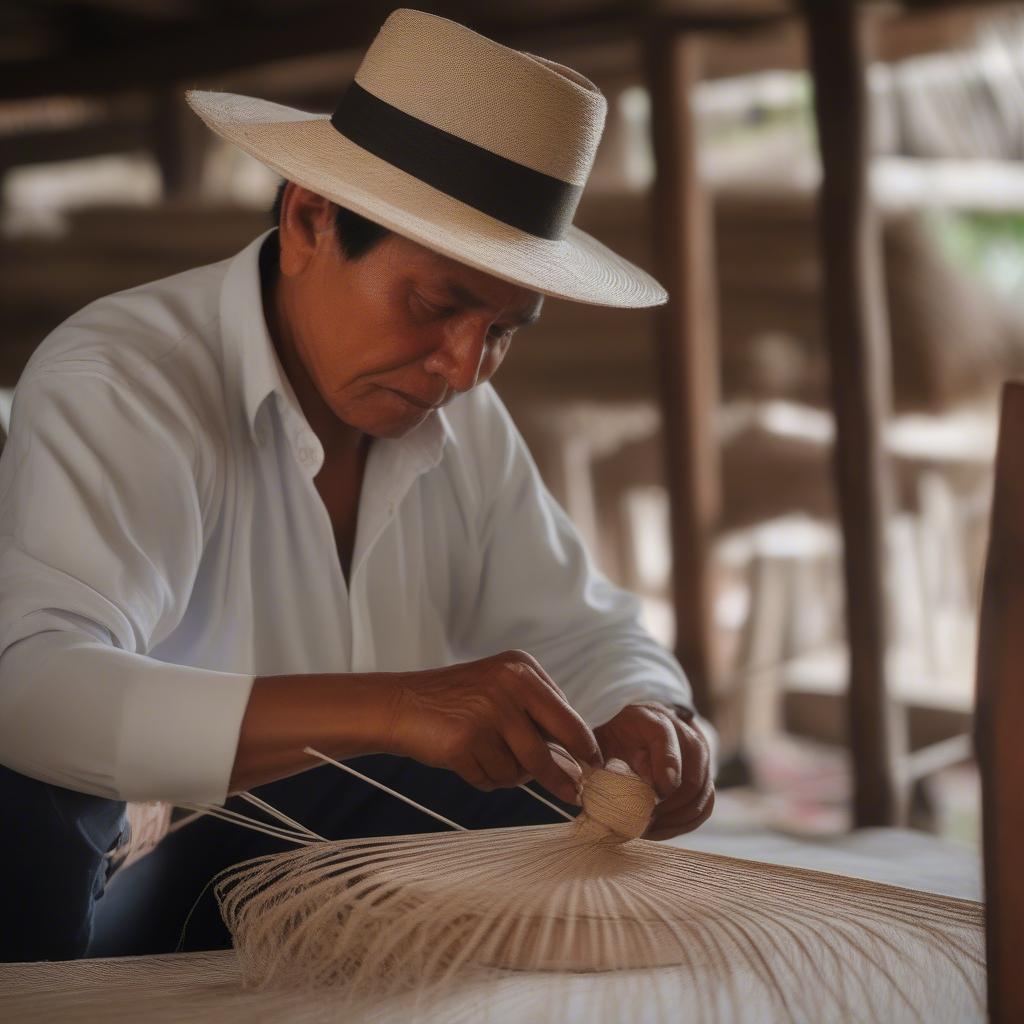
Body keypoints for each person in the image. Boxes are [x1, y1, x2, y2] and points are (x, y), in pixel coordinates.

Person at [0, 8, 716, 962]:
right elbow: (30, 688)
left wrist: (655, 716)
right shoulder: (126, 380)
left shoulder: (464, 425)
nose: (464, 369)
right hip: (130, 885)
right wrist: (391, 708)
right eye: (435, 304)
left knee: (510, 782)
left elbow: (584, 630)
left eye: (505, 329)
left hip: (325, 865)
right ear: (308, 220)